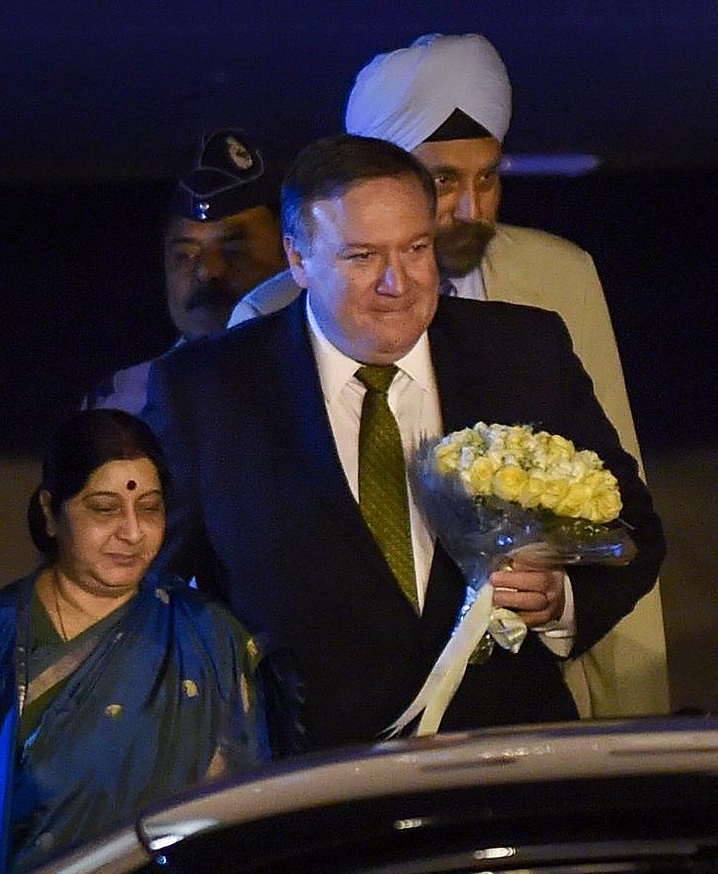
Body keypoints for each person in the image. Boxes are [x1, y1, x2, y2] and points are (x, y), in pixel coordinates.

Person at [143, 134, 666, 753]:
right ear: (299, 259)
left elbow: (634, 534)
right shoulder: (208, 392)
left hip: (505, 767)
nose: (397, 282)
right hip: (308, 787)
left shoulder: (522, 353)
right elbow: (160, 592)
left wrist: (561, 601)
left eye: (416, 249)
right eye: (362, 257)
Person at [228, 33, 669, 721]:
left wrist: (601, 663)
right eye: (442, 182)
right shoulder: (270, 318)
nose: (470, 210)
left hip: (527, 699)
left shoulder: (555, 281)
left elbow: (613, 495)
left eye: (487, 178)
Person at [0, 409, 267, 874]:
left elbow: (244, 812)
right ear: (51, 513)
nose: (133, 532)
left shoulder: (209, 636)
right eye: (104, 509)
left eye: (150, 507)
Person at [87, 128, 286, 415]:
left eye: (234, 248)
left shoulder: (331, 383)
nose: (208, 271)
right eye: (186, 255)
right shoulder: (123, 403)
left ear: (291, 255)